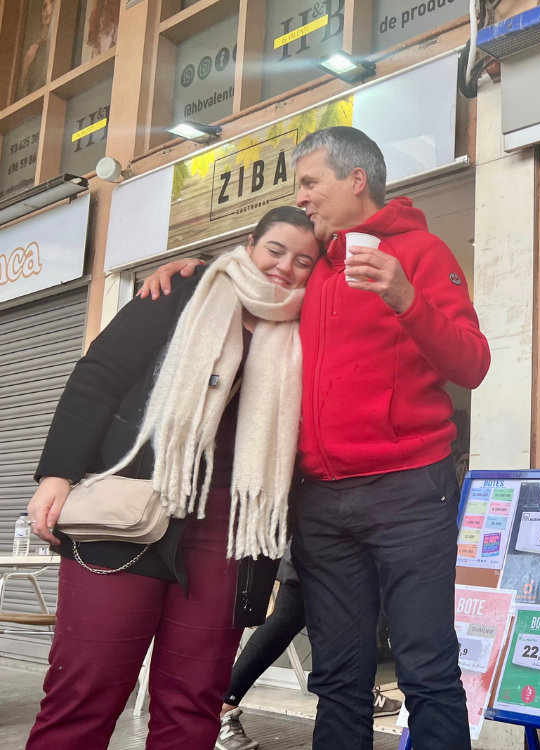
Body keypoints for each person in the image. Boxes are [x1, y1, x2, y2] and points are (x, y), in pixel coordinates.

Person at [142, 126, 489, 750]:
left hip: (410, 490)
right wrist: (200, 273)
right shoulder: (312, 273)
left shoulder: (423, 254)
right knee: (337, 677)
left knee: (426, 669)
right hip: (322, 502)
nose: (301, 197)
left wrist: (406, 296)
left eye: (310, 182)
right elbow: (251, 289)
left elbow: (472, 364)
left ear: (356, 180)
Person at [25, 207, 319, 750]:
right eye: (275, 249)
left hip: (230, 531)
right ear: (250, 245)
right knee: (84, 691)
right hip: (131, 509)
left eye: (304, 260)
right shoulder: (187, 291)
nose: (285, 267)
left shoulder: (310, 327)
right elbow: (100, 375)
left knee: (194, 703)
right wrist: (57, 474)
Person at [215, 545, 402, 750]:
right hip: (319, 536)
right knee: (289, 617)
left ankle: (360, 692)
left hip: (356, 541)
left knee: (351, 614)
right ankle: (223, 708)